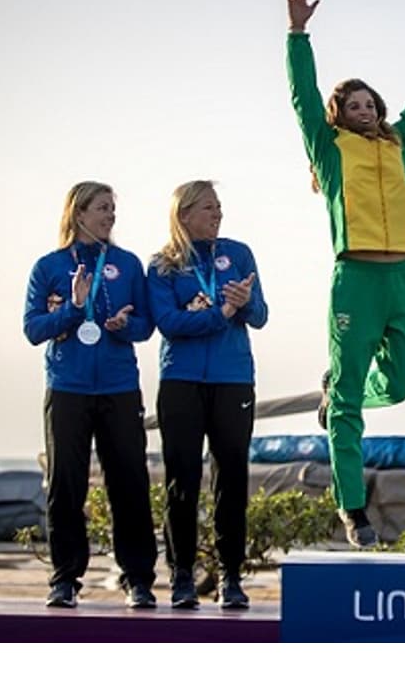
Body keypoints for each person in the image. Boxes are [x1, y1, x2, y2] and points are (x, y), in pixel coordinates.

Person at [284, 0, 405, 548]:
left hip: (401, 276)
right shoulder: (329, 148)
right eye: (353, 105)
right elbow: (302, 95)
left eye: (370, 104)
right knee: (348, 412)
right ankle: (353, 509)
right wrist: (297, 34)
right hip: (355, 279)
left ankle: (339, 389)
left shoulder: (397, 143)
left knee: (402, 383)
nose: (363, 111)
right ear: (339, 114)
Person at [23, 182, 158, 609]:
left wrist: (124, 326)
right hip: (68, 387)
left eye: (113, 209)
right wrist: (71, 309)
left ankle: (137, 578)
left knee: (130, 484)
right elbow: (33, 329)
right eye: (103, 208)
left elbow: (146, 326)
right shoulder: (48, 267)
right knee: (66, 484)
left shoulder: (127, 264)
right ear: (78, 213)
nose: (111, 216)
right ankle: (65, 578)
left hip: (119, 387)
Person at [147, 180, 268, 609]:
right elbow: (170, 324)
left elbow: (262, 315)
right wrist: (223, 313)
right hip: (181, 381)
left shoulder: (239, 253)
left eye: (219, 206)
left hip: (233, 378)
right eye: (208, 208)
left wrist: (245, 303)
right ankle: (182, 576)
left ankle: (231, 577)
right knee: (183, 481)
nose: (218, 214)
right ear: (183, 215)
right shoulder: (162, 265)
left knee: (232, 479)